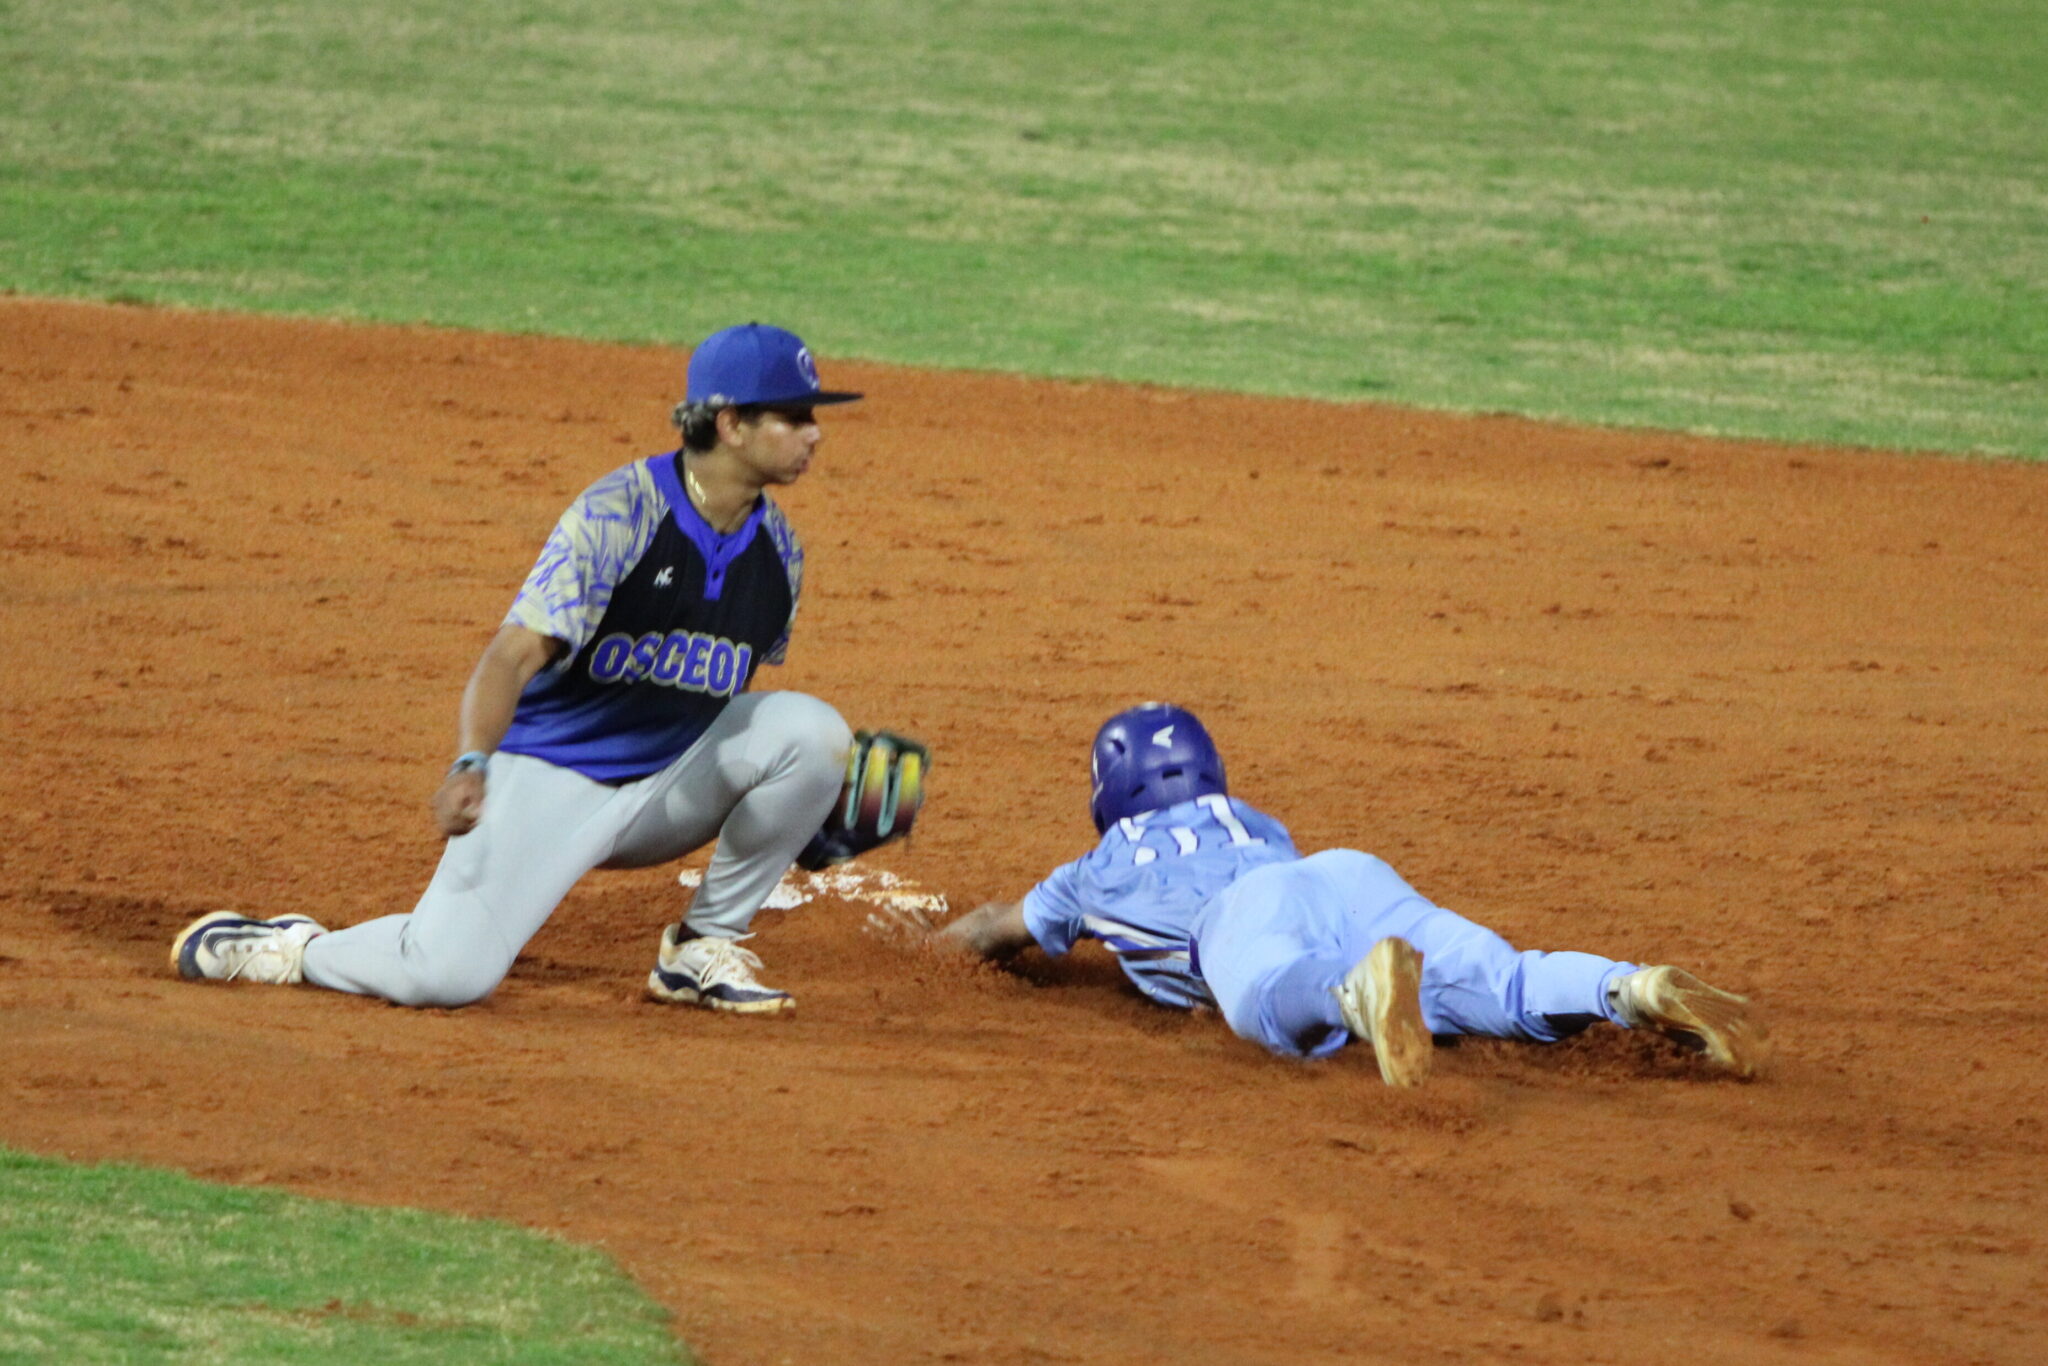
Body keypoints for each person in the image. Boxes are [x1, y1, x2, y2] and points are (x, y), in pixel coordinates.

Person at [171, 323, 868, 1014]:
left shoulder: (780, 553)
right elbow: (512, 654)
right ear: (730, 424)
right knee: (444, 978)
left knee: (815, 735)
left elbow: (715, 703)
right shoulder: (620, 514)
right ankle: (294, 949)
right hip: (552, 778)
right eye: (795, 417)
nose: (815, 434)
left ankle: (700, 949)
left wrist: (808, 810)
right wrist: (471, 760)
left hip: (662, 790)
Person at [876, 702, 1767, 1085]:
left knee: (1266, 997)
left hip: (1242, 919)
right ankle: (1629, 987)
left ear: (1110, 795)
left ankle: (1352, 997)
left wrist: (914, 955)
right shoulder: (1251, 819)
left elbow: (994, 929)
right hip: (1342, 874)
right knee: (1504, 981)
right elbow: (1295, 893)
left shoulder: (1093, 871)